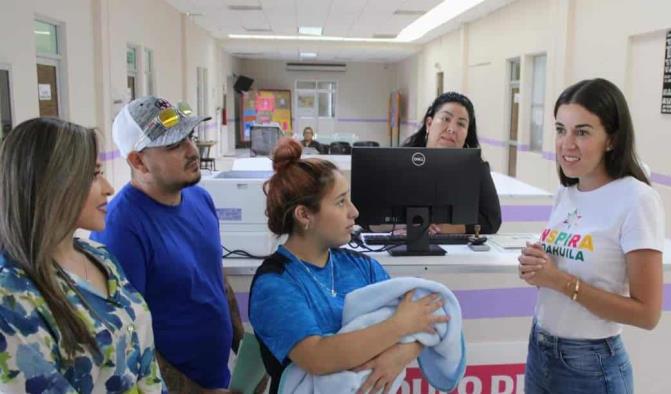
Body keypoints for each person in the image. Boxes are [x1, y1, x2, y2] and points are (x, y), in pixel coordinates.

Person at [249, 138, 449, 393]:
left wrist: (400, 355)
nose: (354, 212)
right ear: (304, 215)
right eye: (341, 202)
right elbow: (318, 358)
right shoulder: (275, 284)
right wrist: (399, 326)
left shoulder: (361, 266)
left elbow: (423, 319)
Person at [518, 78, 664, 393]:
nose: (566, 144)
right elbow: (564, 267)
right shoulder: (566, 192)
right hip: (540, 348)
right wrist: (537, 267)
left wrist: (558, 281)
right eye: (560, 130)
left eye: (582, 132)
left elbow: (647, 314)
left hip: (590, 365)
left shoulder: (637, 199)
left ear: (611, 139)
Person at [91, 96, 245, 393]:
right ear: (137, 161)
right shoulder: (120, 227)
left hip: (218, 379)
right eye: (174, 145)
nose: (192, 150)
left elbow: (217, 280)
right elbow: (129, 338)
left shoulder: (200, 199)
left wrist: (245, 347)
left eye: (189, 137)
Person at [0, 118, 164, 392]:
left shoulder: (100, 257)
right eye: (92, 175)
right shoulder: (12, 297)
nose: (109, 187)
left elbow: (145, 364)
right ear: (49, 184)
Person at [402, 91, 501, 234]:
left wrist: (443, 229)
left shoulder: (476, 168)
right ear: (429, 124)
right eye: (445, 119)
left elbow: (492, 221)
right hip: (402, 244)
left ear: (467, 133)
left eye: (461, 124)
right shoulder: (401, 161)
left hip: (456, 251)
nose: (452, 129)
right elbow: (369, 218)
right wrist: (404, 226)